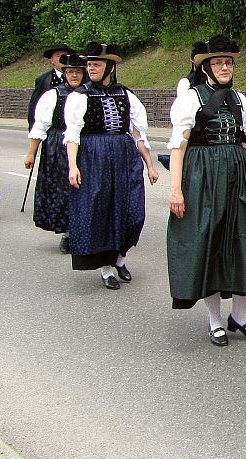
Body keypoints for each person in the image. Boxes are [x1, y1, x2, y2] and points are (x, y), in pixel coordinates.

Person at [166, 34, 246, 346]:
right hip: (203, 176)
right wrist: (176, 189)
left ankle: (239, 316)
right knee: (210, 241)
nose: (225, 67)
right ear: (206, 68)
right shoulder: (191, 99)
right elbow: (178, 146)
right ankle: (215, 320)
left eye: (228, 62)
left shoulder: (240, 100)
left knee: (244, 241)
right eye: (218, 63)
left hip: (239, 177)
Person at [63, 42, 159, 290]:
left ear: (110, 67)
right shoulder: (78, 97)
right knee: (101, 211)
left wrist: (149, 164)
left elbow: (138, 132)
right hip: (93, 158)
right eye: (89, 63)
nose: (90, 68)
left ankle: (120, 257)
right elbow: (73, 134)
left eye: (96, 64)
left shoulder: (126, 95)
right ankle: (106, 268)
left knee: (133, 211)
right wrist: (73, 166)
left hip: (124, 156)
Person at [24, 53, 87, 252]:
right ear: (64, 73)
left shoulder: (91, 94)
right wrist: (30, 153)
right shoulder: (54, 95)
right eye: (70, 72)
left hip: (86, 145)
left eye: (78, 72)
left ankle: (87, 229)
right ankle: (68, 233)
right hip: (58, 145)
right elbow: (40, 126)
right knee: (64, 189)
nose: (74, 76)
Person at [28, 44, 76, 130]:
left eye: (64, 55)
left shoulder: (80, 78)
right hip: (52, 132)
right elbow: (34, 108)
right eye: (58, 56)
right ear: (52, 60)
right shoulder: (44, 80)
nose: (61, 58)